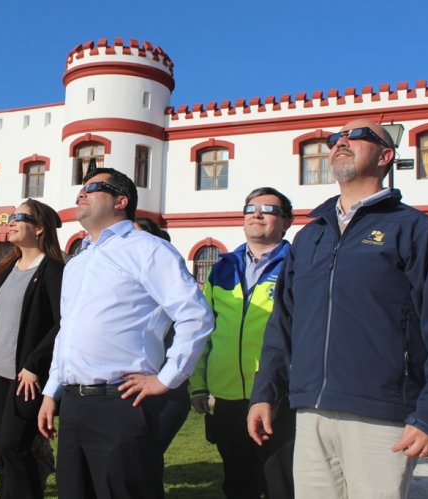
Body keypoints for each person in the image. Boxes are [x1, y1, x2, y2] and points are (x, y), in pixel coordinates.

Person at [248, 119, 428, 498]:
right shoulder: (309, 238)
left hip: (382, 415)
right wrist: (265, 394)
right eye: (336, 137)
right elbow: (283, 327)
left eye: (358, 136)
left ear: (386, 155)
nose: (341, 141)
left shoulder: (415, 230)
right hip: (310, 413)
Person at [37, 168, 214, 499]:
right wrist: (52, 391)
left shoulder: (147, 249)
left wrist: (167, 378)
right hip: (74, 404)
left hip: (122, 403)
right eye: (82, 187)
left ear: (121, 200)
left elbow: (195, 315)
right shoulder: (78, 261)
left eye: (94, 187)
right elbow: (68, 331)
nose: (82, 193)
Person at [190, 187, 295, 499]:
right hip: (228, 399)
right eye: (250, 208)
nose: (257, 213)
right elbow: (202, 329)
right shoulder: (222, 266)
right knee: (237, 483)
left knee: (279, 484)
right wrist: (198, 385)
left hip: (279, 397)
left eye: (268, 209)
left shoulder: (298, 265)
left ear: (286, 221)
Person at [0, 199, 65, 499]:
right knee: (3, 448)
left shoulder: (53, 270)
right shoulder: (7, 266)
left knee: (16, 446)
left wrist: (34, 364)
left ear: (39, 229)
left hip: (26, 376)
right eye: (10, 217)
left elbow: (61, 324)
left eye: (20, 217)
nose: (10, 222)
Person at [133, 216, 190, 455]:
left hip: (164, 393)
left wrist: (166, 379)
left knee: (144, 461)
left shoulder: (169, 286)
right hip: (132, 393)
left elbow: (195, 323)